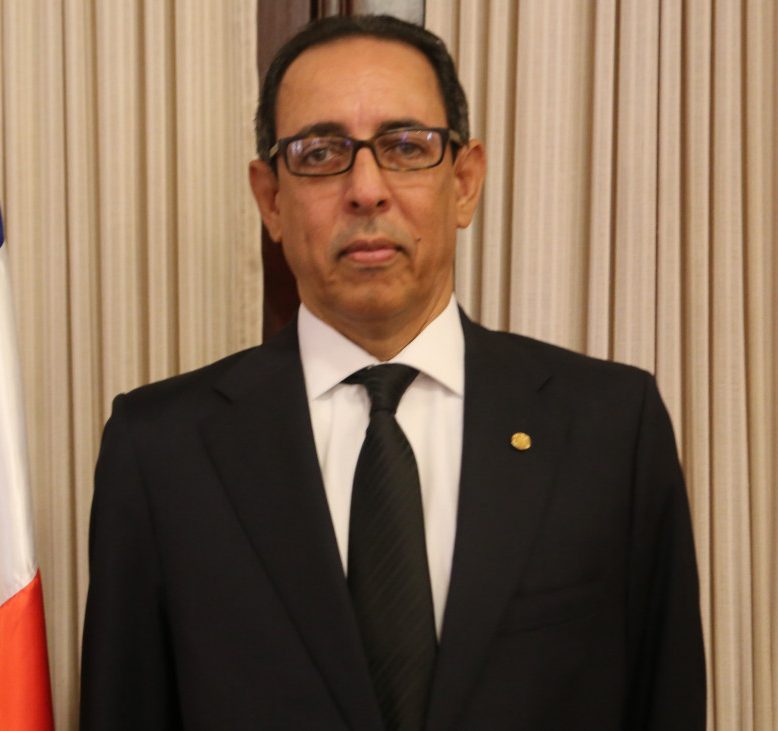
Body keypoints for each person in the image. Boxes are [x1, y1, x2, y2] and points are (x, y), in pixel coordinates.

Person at [80, 14, 705, 731]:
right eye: (321, 153)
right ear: (271, 199)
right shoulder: (161, 450)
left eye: (406, 147)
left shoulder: (612, 429)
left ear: (464, 181)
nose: (366, 190)